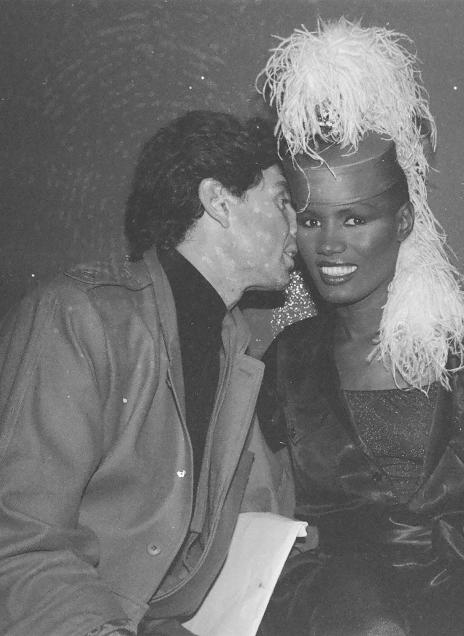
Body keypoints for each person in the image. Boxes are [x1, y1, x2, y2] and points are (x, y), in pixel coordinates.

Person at [255, 20, 464, 636]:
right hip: (333, 614)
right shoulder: (286, 363)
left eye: (355, 218)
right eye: (312, 222)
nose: (331, 245)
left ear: (402, 222)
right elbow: (265, 530)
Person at [0, 110, 297, 635]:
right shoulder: (79, 315)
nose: (296, 226)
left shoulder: (231, 347)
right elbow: (20, 547)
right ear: (218, 201)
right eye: (280, 201)